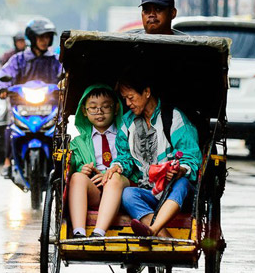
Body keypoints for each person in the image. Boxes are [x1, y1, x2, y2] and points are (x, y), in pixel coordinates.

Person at [101, 76, 202, 238]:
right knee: (127, 194)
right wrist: (117, 166)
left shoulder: (173, 118)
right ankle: (165, 237)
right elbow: (125, 157)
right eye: (125, 99)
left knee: (182, 183)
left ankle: (153, 231)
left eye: (131, 98)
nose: (127, 104)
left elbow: (190, 156)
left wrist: (180, 170)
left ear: (147, 92)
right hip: (149, 191)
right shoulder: (128, 123)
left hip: (176, 193)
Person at [0, 18, 62, 177]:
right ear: (32, 38)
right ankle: (8, 161)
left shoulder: (55, 60)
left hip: (50, 108)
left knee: (60, 134)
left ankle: (60, 168)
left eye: (47, 37)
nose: (44, 41)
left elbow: (65, 76)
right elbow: (4, 75)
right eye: (40, 37)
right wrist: (1, 89)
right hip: (22, 107)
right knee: (11, 128)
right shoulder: (18, 59)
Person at [68, 84, 130, 238]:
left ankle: (98, 233)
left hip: (122, 188)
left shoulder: (127, 134)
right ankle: (79, 233)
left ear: (116, 108)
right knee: (77, 178)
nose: (99, 112)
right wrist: (82, 169)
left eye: (105, 107)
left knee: (113, 178)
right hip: (96, 190)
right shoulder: (79, 142)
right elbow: (72, 165)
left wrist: (109, 173)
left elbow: (133, 162)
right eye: (93, 107)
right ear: (84, 111)